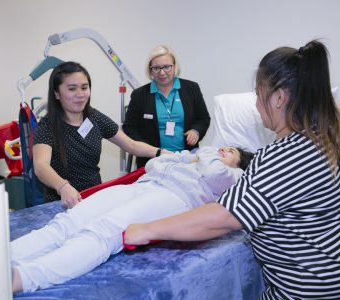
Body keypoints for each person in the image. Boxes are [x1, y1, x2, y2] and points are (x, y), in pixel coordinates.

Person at [125, 40, 340, 299]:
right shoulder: (322, 138)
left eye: (258, 95)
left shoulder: (287, 156)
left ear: (279, 98)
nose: (257, 105)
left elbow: (222, 218)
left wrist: (147, 229)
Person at [11, 145, 254, 293]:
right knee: (68, 222)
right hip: (144, 185)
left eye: (230, 151)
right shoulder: (197, 159)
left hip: (173, 197)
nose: (222, 150)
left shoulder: (234, 175)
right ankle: (1, 257)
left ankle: (24, 278)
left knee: (104, 232)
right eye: (222, 147)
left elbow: (213, 171)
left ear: (239, 162)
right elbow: (154, 165)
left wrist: (204, 154)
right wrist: (187, 158)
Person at [33, 61, 170, 207]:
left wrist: (161, 153)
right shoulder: (47, 126)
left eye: (84, 88)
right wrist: (63, 187)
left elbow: (131, 145)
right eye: (72, 89)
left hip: (94, 198)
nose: (80, 94)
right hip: (61, 203)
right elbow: (41, 166)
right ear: (56, 94)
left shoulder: (94, 117)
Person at [123, 45, 211, 168]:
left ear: (175, 66)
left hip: (187, 158)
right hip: (152, 161)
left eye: (166, 67)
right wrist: (148, 149)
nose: (162, 72)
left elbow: (203, 118)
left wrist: (196, 131)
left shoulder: (191, 88)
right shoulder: (140, 95)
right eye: (156, 68)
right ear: (150, 70)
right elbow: (129, 128)